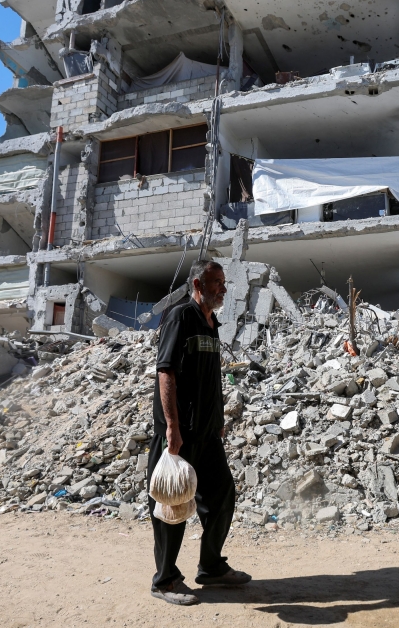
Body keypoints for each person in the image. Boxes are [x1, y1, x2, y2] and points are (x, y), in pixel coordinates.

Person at [147, 259, 251, 605]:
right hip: (181, 434)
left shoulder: (211, 324)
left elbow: (210, 376)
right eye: (216, 282)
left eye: (223, 282)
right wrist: (173, 428)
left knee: (222, 494)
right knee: (173, 503)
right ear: (197, 284)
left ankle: (211, 567)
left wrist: (218, 418)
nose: (222, 288)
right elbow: (166, 374)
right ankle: (164, 581)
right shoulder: (181, 317)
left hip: (208, 433)